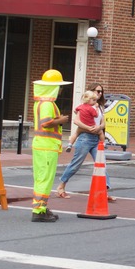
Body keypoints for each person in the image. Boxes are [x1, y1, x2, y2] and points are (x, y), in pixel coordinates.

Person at [56, 85, 113, 201]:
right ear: (91, 93)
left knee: (102, 164)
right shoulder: (84, 107)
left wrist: (99, 127)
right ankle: (61, 186)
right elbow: (76, 121)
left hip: (96, 138)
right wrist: (88, 128)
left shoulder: (100, 107)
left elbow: (103, 123)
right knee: (76, 164)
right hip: (85, 138)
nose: (100, 93)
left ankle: (104, 191)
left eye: (101, 91)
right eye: (98, 91)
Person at [29, 69, 70, 222]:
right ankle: (39, 210)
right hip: (46, 146)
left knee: (41, 178)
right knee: (44, 179)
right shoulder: (47, 104)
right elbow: (46, 123)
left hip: (43, 145)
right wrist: (61, 120)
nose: (60, 90)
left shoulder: (41, 103)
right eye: (58, 86)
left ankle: (41, 208)